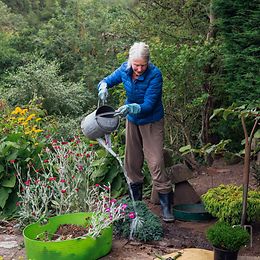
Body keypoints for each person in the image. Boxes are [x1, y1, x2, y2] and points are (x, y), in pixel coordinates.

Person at [97, 42, 174, 222]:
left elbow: (149, 104)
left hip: (151, 121)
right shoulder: (124, 70)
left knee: (155, 162)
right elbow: (107, 80)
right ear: (130, 61)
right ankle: (136, 204)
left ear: (148, 63)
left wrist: (132, 107)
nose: (139, 69)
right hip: (132, 122)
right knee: (131, 162)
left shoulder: (155, 75)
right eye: (136, 65)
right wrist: (103, 86)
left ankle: (166, 207)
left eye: (142, 65)